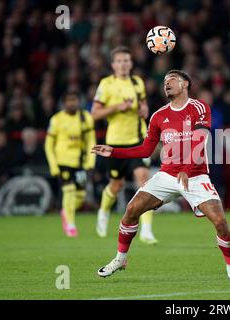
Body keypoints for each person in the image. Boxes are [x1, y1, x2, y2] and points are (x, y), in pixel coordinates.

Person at [92, 70, 230, 281]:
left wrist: (187, 169)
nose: (167, 84)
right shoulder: (158, 116)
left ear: (185, 84)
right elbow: (145, 150)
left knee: (220, 222)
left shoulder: (198, 108)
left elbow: (200, 142)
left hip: (196, 176)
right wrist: (114, 151)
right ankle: (120, 258)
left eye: (172, 80)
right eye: (164, 81)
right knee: (132, 209)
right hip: (167, 175)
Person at [92, 46, 157, 244]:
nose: (123, 64)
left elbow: (144, 107)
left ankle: (146, 230)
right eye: (119, 61)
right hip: (115, 142)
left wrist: (144, 110)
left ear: (131, 63)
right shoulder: (106, 84)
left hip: (137, 140)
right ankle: (103, 212)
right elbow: (95, 113)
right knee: (116, 185)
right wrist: (117, 107)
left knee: (144, 180)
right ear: (113, 65)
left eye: (126, 60)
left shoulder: (138, 83)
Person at [44, 90, 96, 237]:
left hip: (80, 162)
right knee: (69, 190)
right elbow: (48, 144)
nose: (71, 103)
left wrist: (90, 160)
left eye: (74, 100)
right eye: (68, 101)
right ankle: (71, 225)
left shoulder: (85, 117)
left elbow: (90, 140)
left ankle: (66, 212)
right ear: (64, 103)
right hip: (62, 161)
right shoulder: (57, 119)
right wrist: (53, 165)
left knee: (80, 195)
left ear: (78, 102)